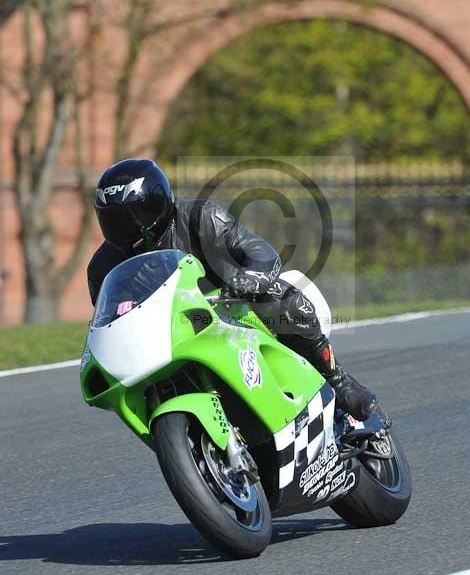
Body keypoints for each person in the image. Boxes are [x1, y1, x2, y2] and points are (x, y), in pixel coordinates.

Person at [87, 158, 378, 420]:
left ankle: (337, 379)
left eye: (135, 215)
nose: (128, 228)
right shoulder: (103, 268)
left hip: (232, 308)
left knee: (281, 295)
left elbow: (260, 252)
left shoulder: (201, 218)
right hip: (173, 335)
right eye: (115, 220)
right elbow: (109, 321)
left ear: (158, 203)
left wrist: (248, 279)